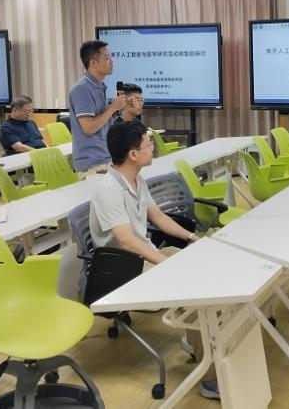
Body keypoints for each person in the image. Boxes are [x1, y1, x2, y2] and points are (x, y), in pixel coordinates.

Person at [89, 121, 218, 399]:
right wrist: (167, 263)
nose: (153, 148)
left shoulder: (137, 180)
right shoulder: (108, 189)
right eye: (148, 144)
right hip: (122, 268)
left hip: (142, 254)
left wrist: (193, 238)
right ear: (133, 154)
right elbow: (126, 241)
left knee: (205, 268)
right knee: (191, 286)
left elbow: (157, 217)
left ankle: (198, 339)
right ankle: (209, 376)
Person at [68, 40, 124, 178]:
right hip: (92, 164)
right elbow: (89, 128)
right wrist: (112, 107)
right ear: (93, 63)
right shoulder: (82, 89)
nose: (112, 61)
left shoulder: (98, 86)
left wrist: (118, 109)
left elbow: (103, 123)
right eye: (107, 57)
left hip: (105, 158)